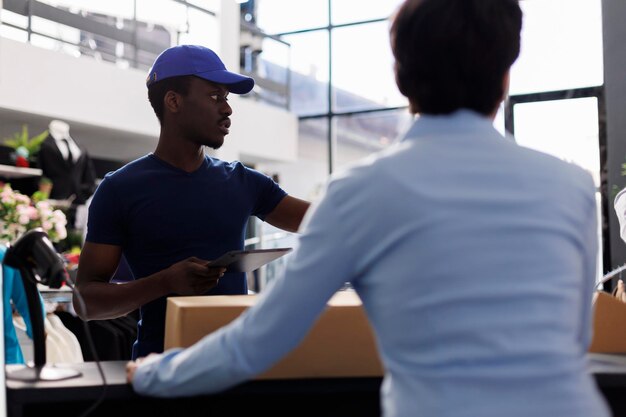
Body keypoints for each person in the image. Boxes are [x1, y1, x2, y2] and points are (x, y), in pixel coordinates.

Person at [126, 1, 610, 416]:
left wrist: (154, 372)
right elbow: (574, 334)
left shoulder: (359, 192)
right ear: (507, 75)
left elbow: (259, 342)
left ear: (401, 79)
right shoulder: (570, 185)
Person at [74, 44, 310, 360]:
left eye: (226, 98)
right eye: (215, 97)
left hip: (237, 367)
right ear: (174, 101)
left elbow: (324, 220)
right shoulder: (120, 189)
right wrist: (164, 283)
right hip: (159, 371)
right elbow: (85, 302)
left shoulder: (243, 181)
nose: (227, 109)